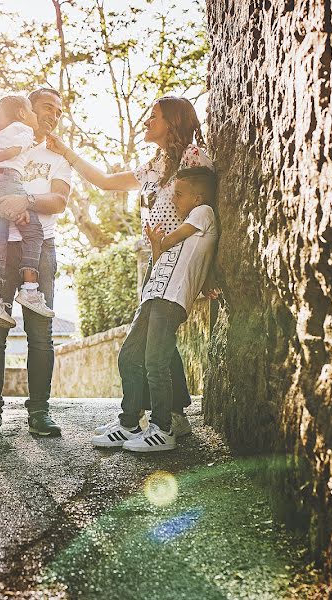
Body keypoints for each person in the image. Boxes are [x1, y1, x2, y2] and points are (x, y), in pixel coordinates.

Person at [48, 95, 218, 437]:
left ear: (172, 122)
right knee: (157, 345)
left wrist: (210, 272)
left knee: (151, 347)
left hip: (180, 267)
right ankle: (164, 415)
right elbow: (106, 181)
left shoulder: (194, 158)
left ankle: (152, 419)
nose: (146, 122)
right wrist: (66, 152)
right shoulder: (154, 165)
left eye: (153, 117)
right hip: (157, 264)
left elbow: (210, 214)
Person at [0, 88, 70, 439]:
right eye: (47, 108)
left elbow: (58, 201)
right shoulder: (1, 140)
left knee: (40, 336)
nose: (53, 115)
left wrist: (23, 199)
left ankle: (39, 412)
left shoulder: (58, 156)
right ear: (28, 111)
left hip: (39, 251)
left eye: (59, 111)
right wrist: (1, 208)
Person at [92, 166, 219, 451]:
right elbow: (162, 255)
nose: (174, 200)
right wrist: (155, 244)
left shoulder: (203, 213)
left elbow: (170, 240)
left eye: (180, 194)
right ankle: (129, 423)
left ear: (198, 197)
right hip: (153, 296)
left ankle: (163, 428)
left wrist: (162, 240)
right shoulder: (189, 222)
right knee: (129, 356)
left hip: (172, 300)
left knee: (155, 363)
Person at [0, 95, 54, 327]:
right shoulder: (22, 129)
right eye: (33, 112)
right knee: (34, 232)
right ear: (23, 114)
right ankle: (30, 289)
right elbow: (16, 150)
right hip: (8, 180)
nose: (36, 116)